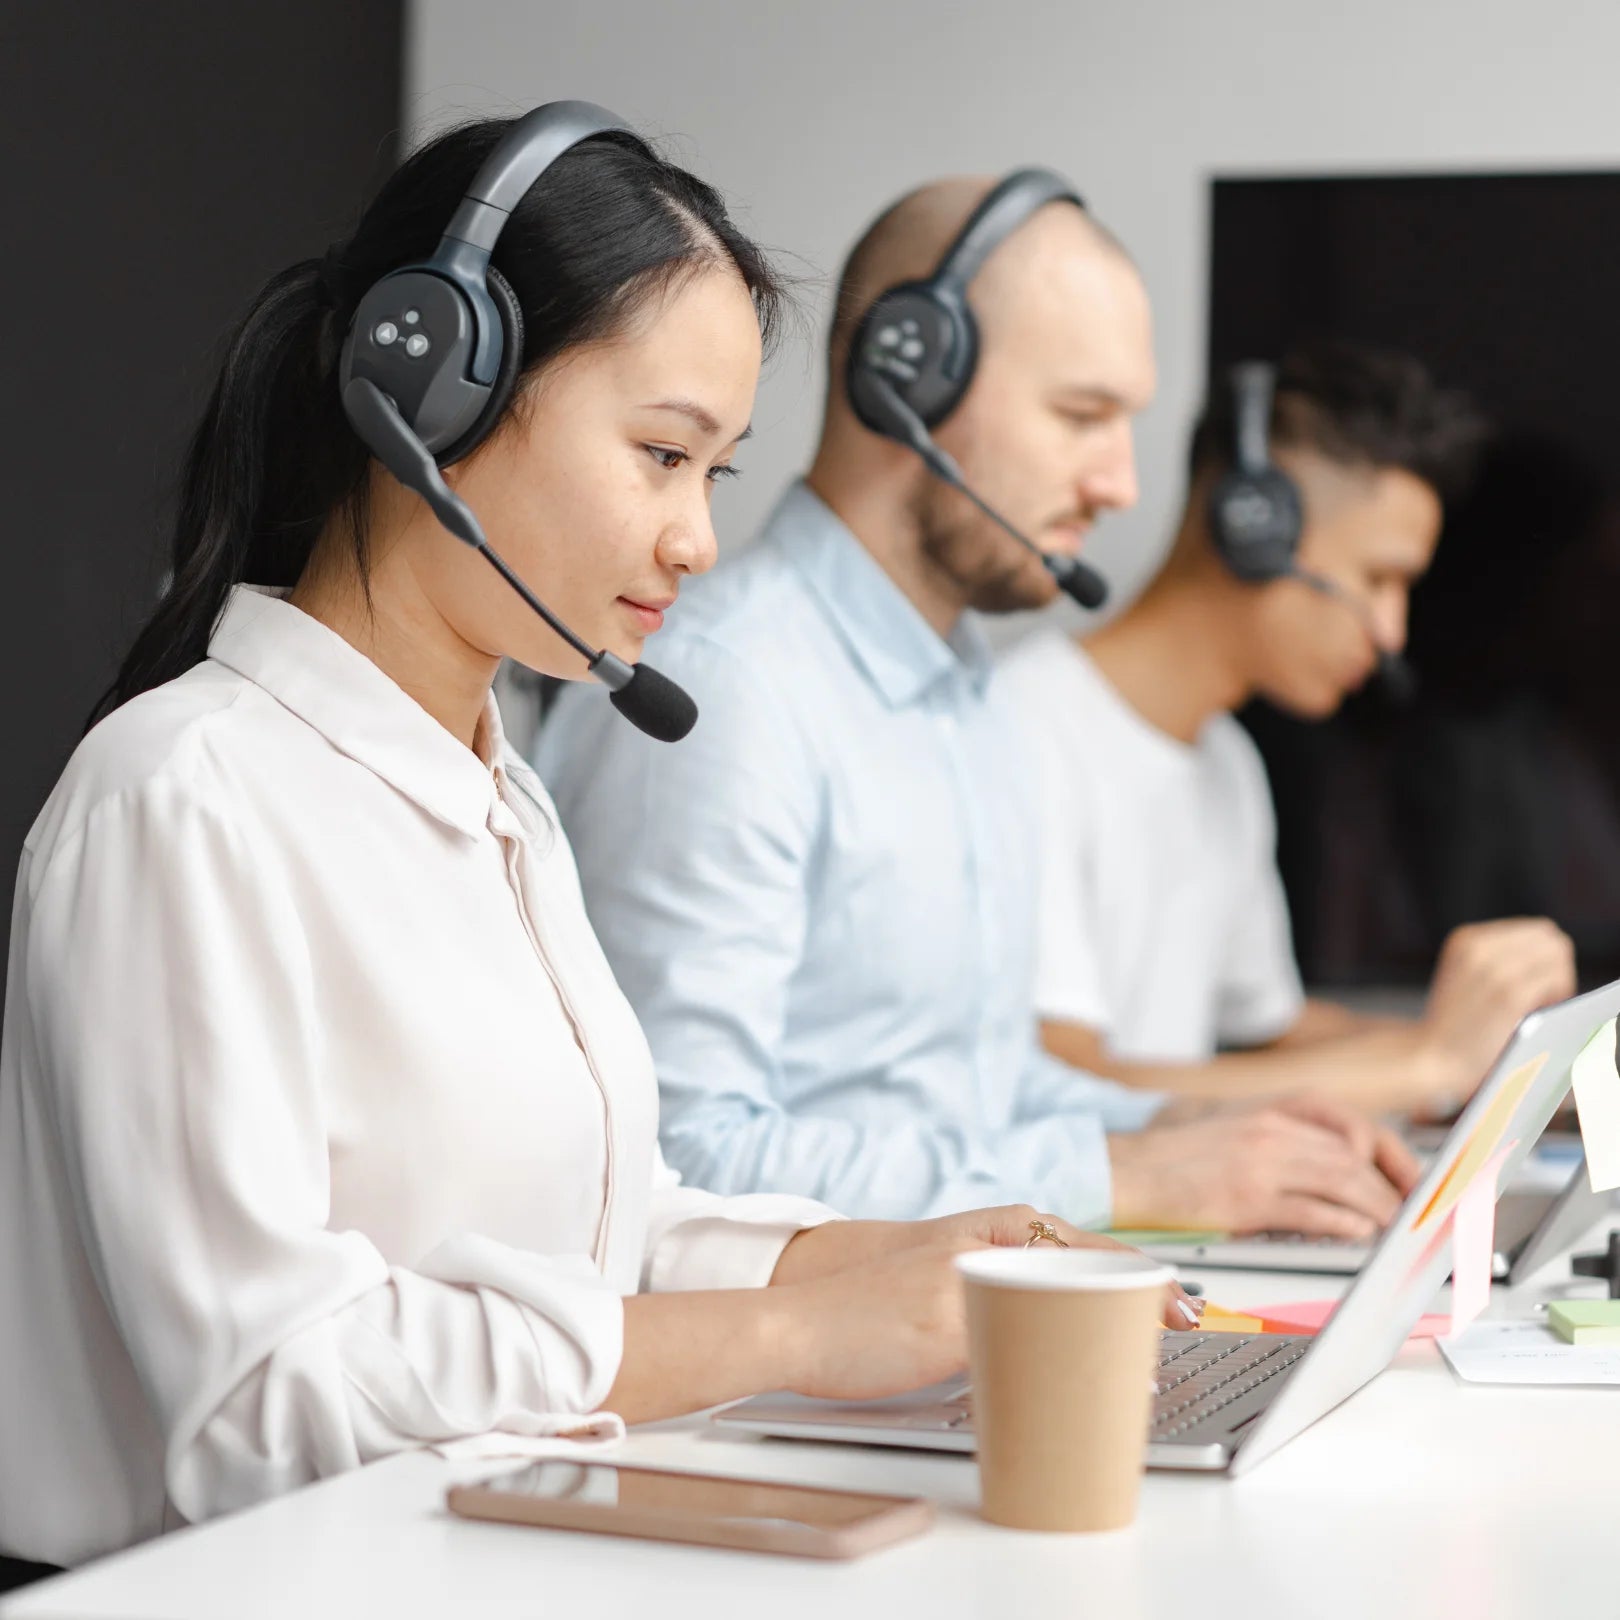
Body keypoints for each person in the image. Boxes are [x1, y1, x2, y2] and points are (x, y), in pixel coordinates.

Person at [0, 112, 1189, 1573]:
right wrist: (792, 1332)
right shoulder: (183, 798)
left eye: (718, 474)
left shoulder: (500, 792)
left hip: (478, 1561)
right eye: (662, 453)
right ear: (424, 390)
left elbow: (588, 1238)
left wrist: (891, 1260)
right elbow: (266, 1401)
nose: (695, 537)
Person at [537, 177, 1419, 1244]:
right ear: (911, 371)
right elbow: (681, 1155)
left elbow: (979, 1089)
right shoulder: (731, 693)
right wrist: (1131, 1176)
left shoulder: (967, 695)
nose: (1122, 484)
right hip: (770, 1388)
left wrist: (1201, 1127)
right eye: (1082, 416)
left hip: (947, 1340)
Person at [998, 343, 1576, 1113]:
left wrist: (1516, 1059)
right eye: (1379, 579)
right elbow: (1064, 1090)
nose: (1392, 633)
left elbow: (1277, 1033)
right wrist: (1422, 1068)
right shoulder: (1024, 729)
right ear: (1252, 525)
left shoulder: (1226, 763)